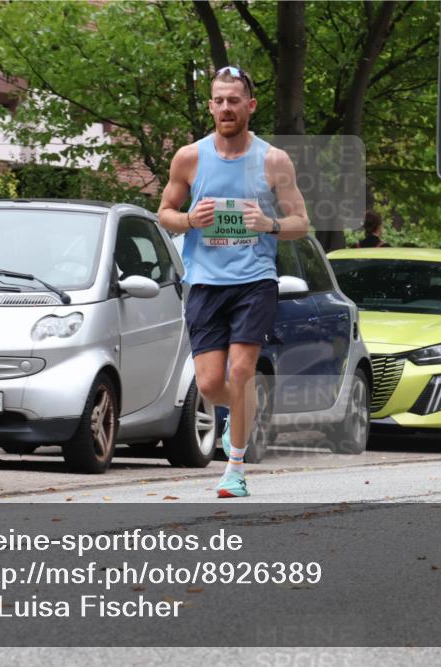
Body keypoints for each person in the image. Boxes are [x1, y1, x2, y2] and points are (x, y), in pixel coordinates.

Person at [158, 65, 310, 498]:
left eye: (234, 100)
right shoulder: (189, 157)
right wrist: (188, 219)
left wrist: (270, 224)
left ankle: (235, 469)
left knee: (241, 371)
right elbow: (164, 212)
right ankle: (245, 410)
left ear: (250, 105)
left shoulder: (273, 160)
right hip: (205, 282)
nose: (226, 108)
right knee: (208, 383)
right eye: (219, 100)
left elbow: (302, 222)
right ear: (211, 106)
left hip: (254, 280)